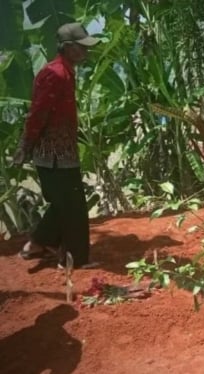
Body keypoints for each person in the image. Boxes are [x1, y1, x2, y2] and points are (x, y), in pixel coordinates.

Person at [13, 23, 100, 269]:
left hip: (62, 152)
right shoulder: (55, 74)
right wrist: (25, 146)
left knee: (67, 203)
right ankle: (74, 259)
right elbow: (38, 114)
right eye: (81, 47)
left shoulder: (65, 72)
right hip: (53, 154)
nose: (86, 51)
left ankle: (39, 244)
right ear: (68, 48)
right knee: (72, 207)